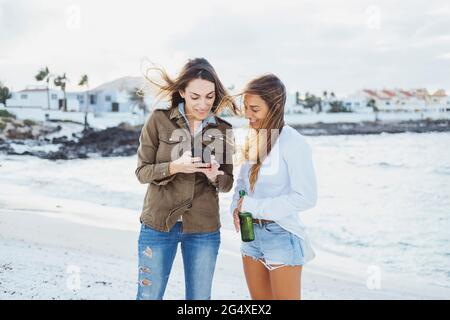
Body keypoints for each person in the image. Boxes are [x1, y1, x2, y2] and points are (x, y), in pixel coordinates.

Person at [135, 58, 237, 300]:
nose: (203, 104)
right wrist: (174, 166)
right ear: (182, 92)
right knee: (148, 296)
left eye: (210, 97)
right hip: (158, 224)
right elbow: (142, 172)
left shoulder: (223, 129)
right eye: (195, 97)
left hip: (204, 227)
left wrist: (215, 176)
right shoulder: (158, 120)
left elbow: (228, 182)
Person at [230, 74, 317, 300]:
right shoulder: (253, 138)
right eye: (246, 108)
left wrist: (254, 206)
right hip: (251, 237)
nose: (248, 115)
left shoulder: (293, 143)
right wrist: (235, 208)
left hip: (281, 236)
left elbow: (306, 197)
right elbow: (242, 184)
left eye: (255, 109)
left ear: (275, 106)